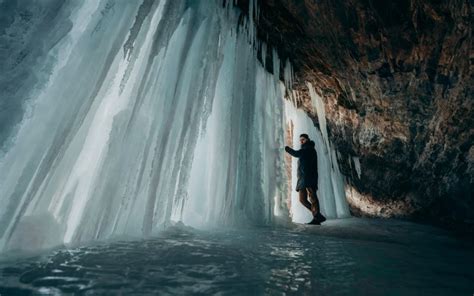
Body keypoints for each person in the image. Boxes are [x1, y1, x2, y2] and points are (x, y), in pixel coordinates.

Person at [285, 133, 326, 225]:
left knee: (313, 197)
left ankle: (316, 217)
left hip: (309, 177)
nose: (301, 141)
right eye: (300, 140)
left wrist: (287, 149)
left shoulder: (309, 149)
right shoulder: (305, 149)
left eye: (303, 139)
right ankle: (317, 215)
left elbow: (296, 153)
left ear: (307, 139)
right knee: (302, 200)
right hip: (303, 178)